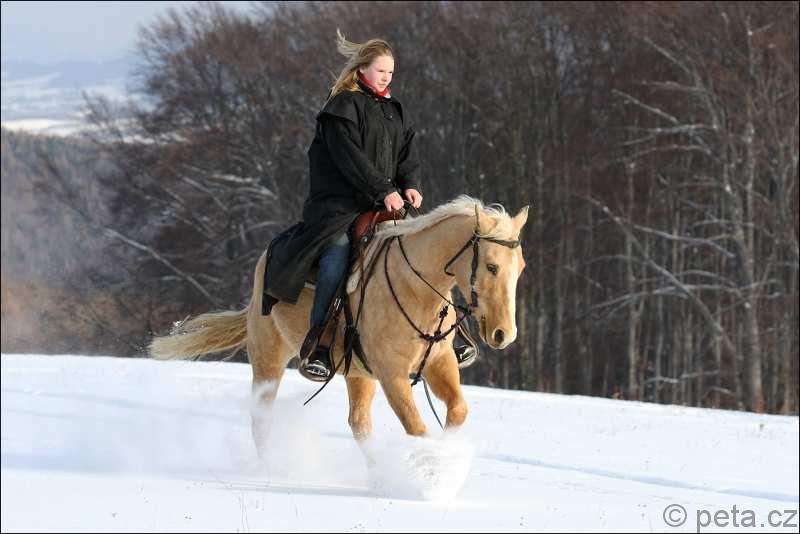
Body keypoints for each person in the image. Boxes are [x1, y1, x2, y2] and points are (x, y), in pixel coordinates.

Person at [262, 30, 422, 382]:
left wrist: (410, 184)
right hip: (336, 208)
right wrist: (384, 190)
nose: (387, 78)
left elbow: (407, 154)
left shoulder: (395, 110)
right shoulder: (340, 108)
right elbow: (351, 160)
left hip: (383, 204)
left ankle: (431, 339)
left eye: (391, 72)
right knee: (337, 256)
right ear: (362, 69)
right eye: (381, 71)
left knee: (422, 252)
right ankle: (319, 343)